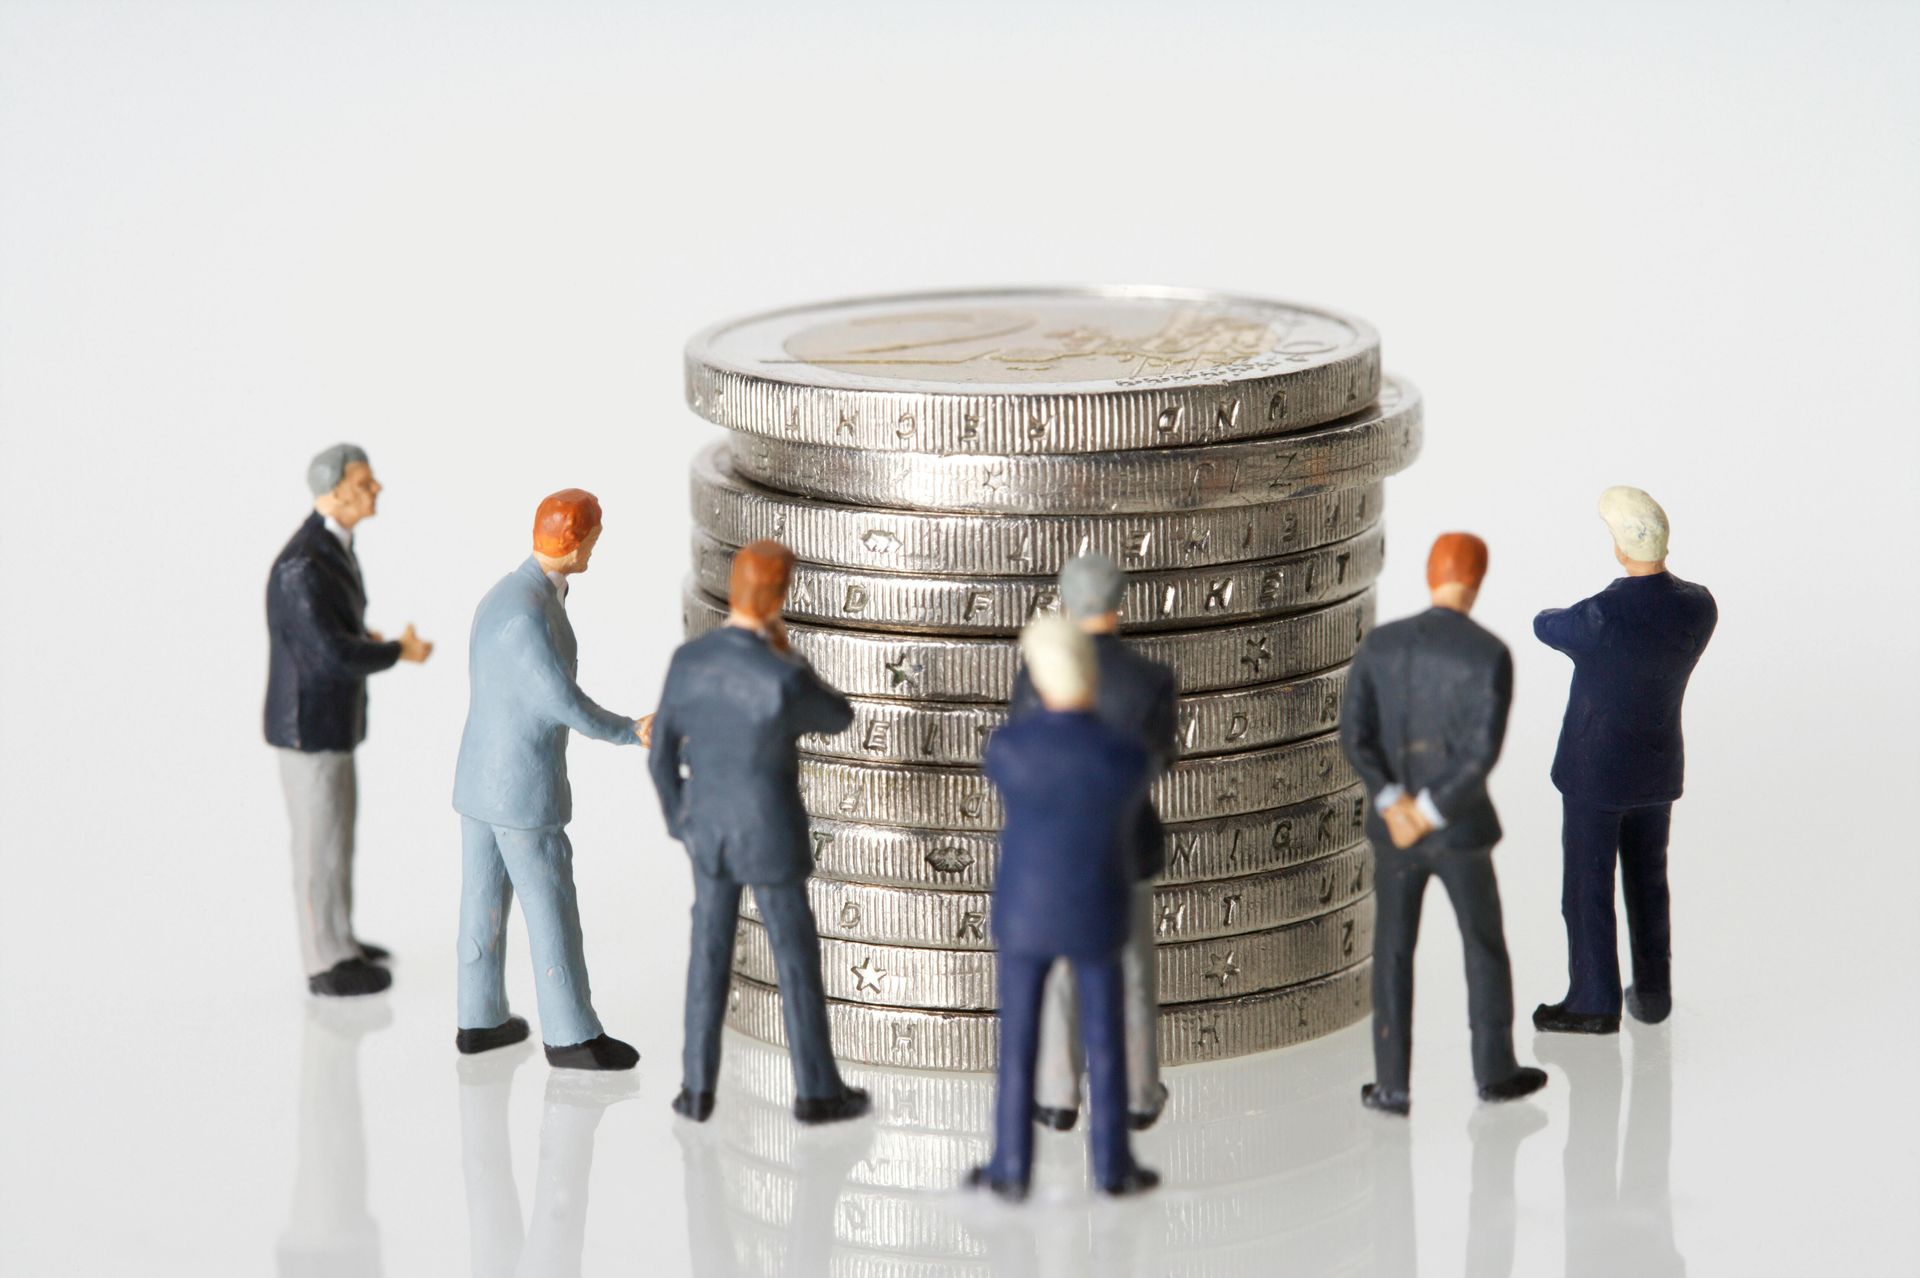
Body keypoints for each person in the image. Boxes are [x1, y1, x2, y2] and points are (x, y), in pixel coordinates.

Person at [647, 540, 871, 1125]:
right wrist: (791, 656)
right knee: (795, 961)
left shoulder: (688, 661)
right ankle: (817, 1092)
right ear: (777, 599)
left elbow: (661, 755)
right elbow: (839, 717)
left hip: (708, 833)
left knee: (707, 957)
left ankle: (696, 1089)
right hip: (769, 835)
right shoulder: (781, 679)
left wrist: (681, 821)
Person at [1338, 532, 1547, 1115]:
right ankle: (1494, 1069)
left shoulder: (1380, 646)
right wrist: (1431, 811)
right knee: (1482, 945)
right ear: (1477, 580)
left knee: (1393, 952)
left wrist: (1394, 803)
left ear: (1431, 572)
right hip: (1458, 832)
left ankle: (1391, 1084)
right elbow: (1480, 756)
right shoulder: (1488, 654)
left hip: (1394, 832)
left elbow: (1354, 736)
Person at [451, 489, 644, 1070]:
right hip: (520, 789)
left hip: (480, 781)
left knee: (481, 904)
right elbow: (562, 701)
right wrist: (631, 730)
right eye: (595, 536)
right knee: (550, 903)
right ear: (573, 540)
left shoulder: (506, 593)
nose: (596, 546)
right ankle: (570, 1035)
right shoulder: (526, 613)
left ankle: (479, 1018)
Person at [969, 616, 1159, 1200]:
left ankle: (1010, 1166)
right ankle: (1113, 1167)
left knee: (1019, 1044)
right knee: (1105, 1042)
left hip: (1027, 912)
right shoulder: (1125, 756)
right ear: (1092, 670)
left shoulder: (1009, 749)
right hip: (1097, 908)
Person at [1533, 487, 1717, 1034]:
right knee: (1648, 880)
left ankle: (1594, 1000)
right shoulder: (1699, 605)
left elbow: (1547, 624)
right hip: (1657, 767)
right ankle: (1654, 991)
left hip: (1596, 771)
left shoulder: (1601, 615)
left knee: (1587, 889)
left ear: (1619, 547)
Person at [1007, 554, 1177, 1133]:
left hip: (1054, 850)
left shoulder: (1033, 676)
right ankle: (1136, 1093)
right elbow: (1159, 763)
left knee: (1056, 973)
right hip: (1126, 844)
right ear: (1119, 601)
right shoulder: (1151, 681)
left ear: (1064, 600)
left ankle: (1056, 1095)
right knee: (1132, 972)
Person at [265, 443, 431, 997]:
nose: (375, 488)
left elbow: (334, 636)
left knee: (337, 838)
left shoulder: (333, 549)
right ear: (332, 493)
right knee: (317, 844)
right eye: (364, 482)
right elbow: (330, 654)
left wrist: (369, 642)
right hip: (309, 727)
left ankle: (340, 940)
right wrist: (396, 653)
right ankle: (322, 959)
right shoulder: (302, 564)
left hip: (330, 722)